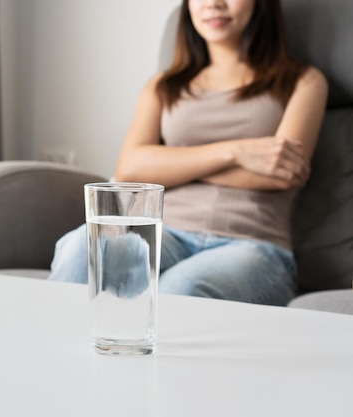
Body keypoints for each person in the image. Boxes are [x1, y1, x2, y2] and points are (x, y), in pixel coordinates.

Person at [48, 0, 328, 306]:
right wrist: (237, 151)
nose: (214, 4)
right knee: (81, 246)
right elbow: (130, 167)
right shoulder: (164, 86)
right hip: (165, 232)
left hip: (251, 245)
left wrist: (170, 163)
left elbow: (282, 173)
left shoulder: (304, 81)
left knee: (180, 289)